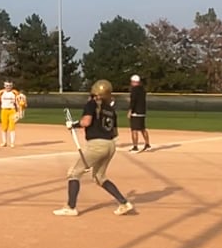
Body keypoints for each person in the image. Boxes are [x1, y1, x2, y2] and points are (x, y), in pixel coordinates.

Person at [54, 79, 137, 217]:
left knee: (74, 173)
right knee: (99, 177)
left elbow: (86, 122)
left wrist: (74, 124)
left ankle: (71, 207)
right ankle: (124, 203)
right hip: (110, 145)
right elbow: (114, 132)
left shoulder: (92, 104)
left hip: (97, 145)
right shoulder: (111, 109)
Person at [0, 80, 26, 147]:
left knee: (12, 126)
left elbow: (19, 101)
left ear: (12, 86)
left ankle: (12, 143)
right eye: (7, 85)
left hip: (12, 110)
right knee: (4, 127)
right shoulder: (1, 92)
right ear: (4, 86)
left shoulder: (15, 92)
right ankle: (4, 142)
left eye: (10, 86)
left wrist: (20, 108)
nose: (8, 87)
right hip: (4, 110)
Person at [127, 74, 151, 152]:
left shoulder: (134, 90)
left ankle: (135, 147)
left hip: (136, 112)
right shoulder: (143, 89)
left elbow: (133, 101)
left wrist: (130, 110)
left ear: (133, 82)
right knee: (142, 128)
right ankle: (147, 144)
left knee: (134, 129)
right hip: (142, 111)